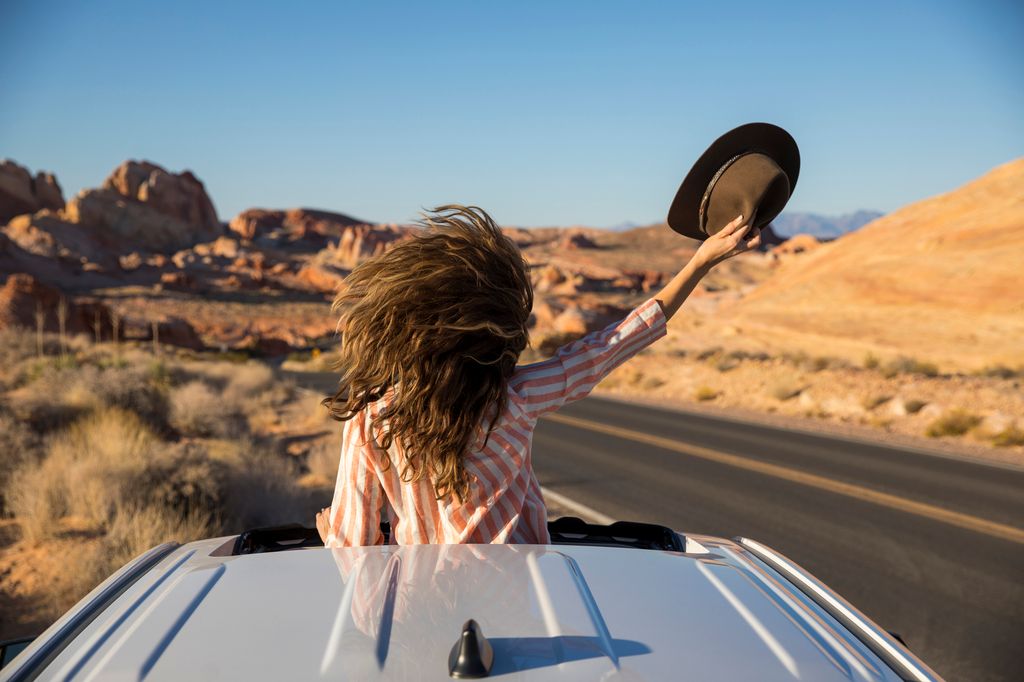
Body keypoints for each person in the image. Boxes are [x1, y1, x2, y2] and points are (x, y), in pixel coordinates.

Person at [316, 205, 759, 547]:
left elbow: (354, 546)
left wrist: (331, 531)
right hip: (525, 587)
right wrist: (700, 261)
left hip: (424, 605)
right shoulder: (517, 397)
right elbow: (611, 345)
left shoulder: (371, 421)